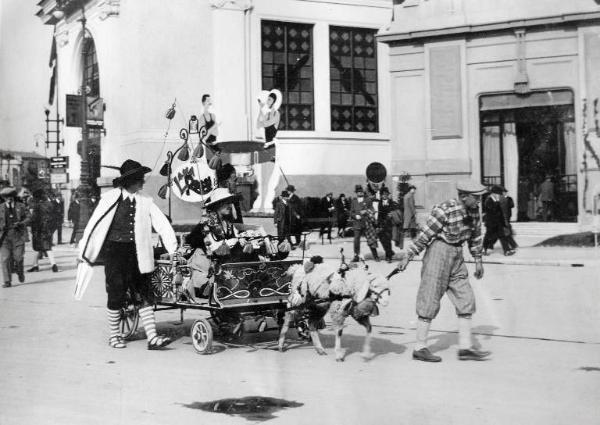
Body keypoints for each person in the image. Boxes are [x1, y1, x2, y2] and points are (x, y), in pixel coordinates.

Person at [78, 159, 177, 350]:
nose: (142, 182)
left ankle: (152, 338)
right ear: (129, 180)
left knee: (144, 293)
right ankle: (114, 335)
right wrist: (85, 250)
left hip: (139, 252)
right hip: (115, 252)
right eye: (139, 179)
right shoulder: (110, 198)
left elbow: (162, 224)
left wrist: (173, 249)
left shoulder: (146, 200)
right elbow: (94, 225)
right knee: (116, 293)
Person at [396, 179, 491, 362]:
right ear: (463, 196)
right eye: (476, 198)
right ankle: (420, 347)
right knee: (429, 298)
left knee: (466, 298)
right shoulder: (444, 210)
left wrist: (478, 260)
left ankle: (465, 348)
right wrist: (408, 256)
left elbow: (476, 237)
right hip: (438, 253)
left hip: (457, 255)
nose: (479, 201)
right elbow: (425, 235)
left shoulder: (474, 213)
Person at [0, 187, 30, 287]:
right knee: (5, 259)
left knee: (19, 258)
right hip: (4, 237)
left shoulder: (21, 206)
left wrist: (21, 223)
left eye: (10, 196)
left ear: (13, 197)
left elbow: (29, 217)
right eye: (6, 197)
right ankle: (7, 281)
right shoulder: (0, 208)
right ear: (4, 198)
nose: (9, 199)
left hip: (18, 236)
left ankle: (20, 272)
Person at [28, 185, 60, 273]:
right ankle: (38, 265)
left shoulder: (37, 206)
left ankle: (52, 265)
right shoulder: (50, 204)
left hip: (39, 230)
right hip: (48, 229)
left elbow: (33, 218)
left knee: (39, 247)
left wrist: (29, 225)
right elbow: (55, 217)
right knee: (46, 247)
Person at [350, 185, 379, 262]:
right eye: (358, 192)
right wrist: (355, 216)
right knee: (356, 240)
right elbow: (351, 212)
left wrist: (367, 211)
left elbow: (372, 209)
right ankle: (356, 256)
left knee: (371, 239)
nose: (360, 193)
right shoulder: (354, 201)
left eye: (361, 191)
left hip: (367, 223)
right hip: (357, 224)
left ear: (363, 192)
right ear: (356, 193)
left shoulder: (368, 200)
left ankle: (375, 256)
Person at [482, 185, 514, 256]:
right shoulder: (488, 200)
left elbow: (500, 212)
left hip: (499, 223)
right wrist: (497, 203)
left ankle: (507, 251)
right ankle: (484, 249)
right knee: (488, 236)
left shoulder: (497, 200)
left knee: (502, 236)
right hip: (491, 223)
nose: (499, 196)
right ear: (493, 193)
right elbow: (492, 210)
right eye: (498, 194)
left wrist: (503, 222)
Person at [377, 187, 399, 262]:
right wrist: (378, 224)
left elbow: (395, 211)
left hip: (389, 224)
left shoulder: (391, 202)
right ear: (381, 195)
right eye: (383, 194)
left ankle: (388, 257)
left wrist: (392, 214)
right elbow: (379, 214)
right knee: (382, 239)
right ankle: (389, 251)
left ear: (388, 195)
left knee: (388, 239)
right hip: (382, 223)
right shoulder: (380, 203)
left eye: (386, 194)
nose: (384, 196)